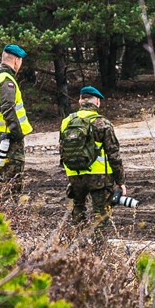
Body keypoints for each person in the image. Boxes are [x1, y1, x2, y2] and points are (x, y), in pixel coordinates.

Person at [59, 86, 124, 230]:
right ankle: (97, 243)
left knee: (78, 209)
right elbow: (114, 154)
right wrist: (120, 181)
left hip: (75, 174)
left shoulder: (66, 121)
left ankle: (77, 241)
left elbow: (62, 149)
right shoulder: (102, 122)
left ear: (80, 101)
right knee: (100, 215)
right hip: (99, 177)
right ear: (97, 102)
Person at [0, 44, 34, 195]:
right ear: (17, 60)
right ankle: (9, 210)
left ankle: (0, 208)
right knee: (12, 183)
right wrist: (17, 134)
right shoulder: (6, 80)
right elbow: (8, 108)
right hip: (9, 138)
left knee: (2, 180)